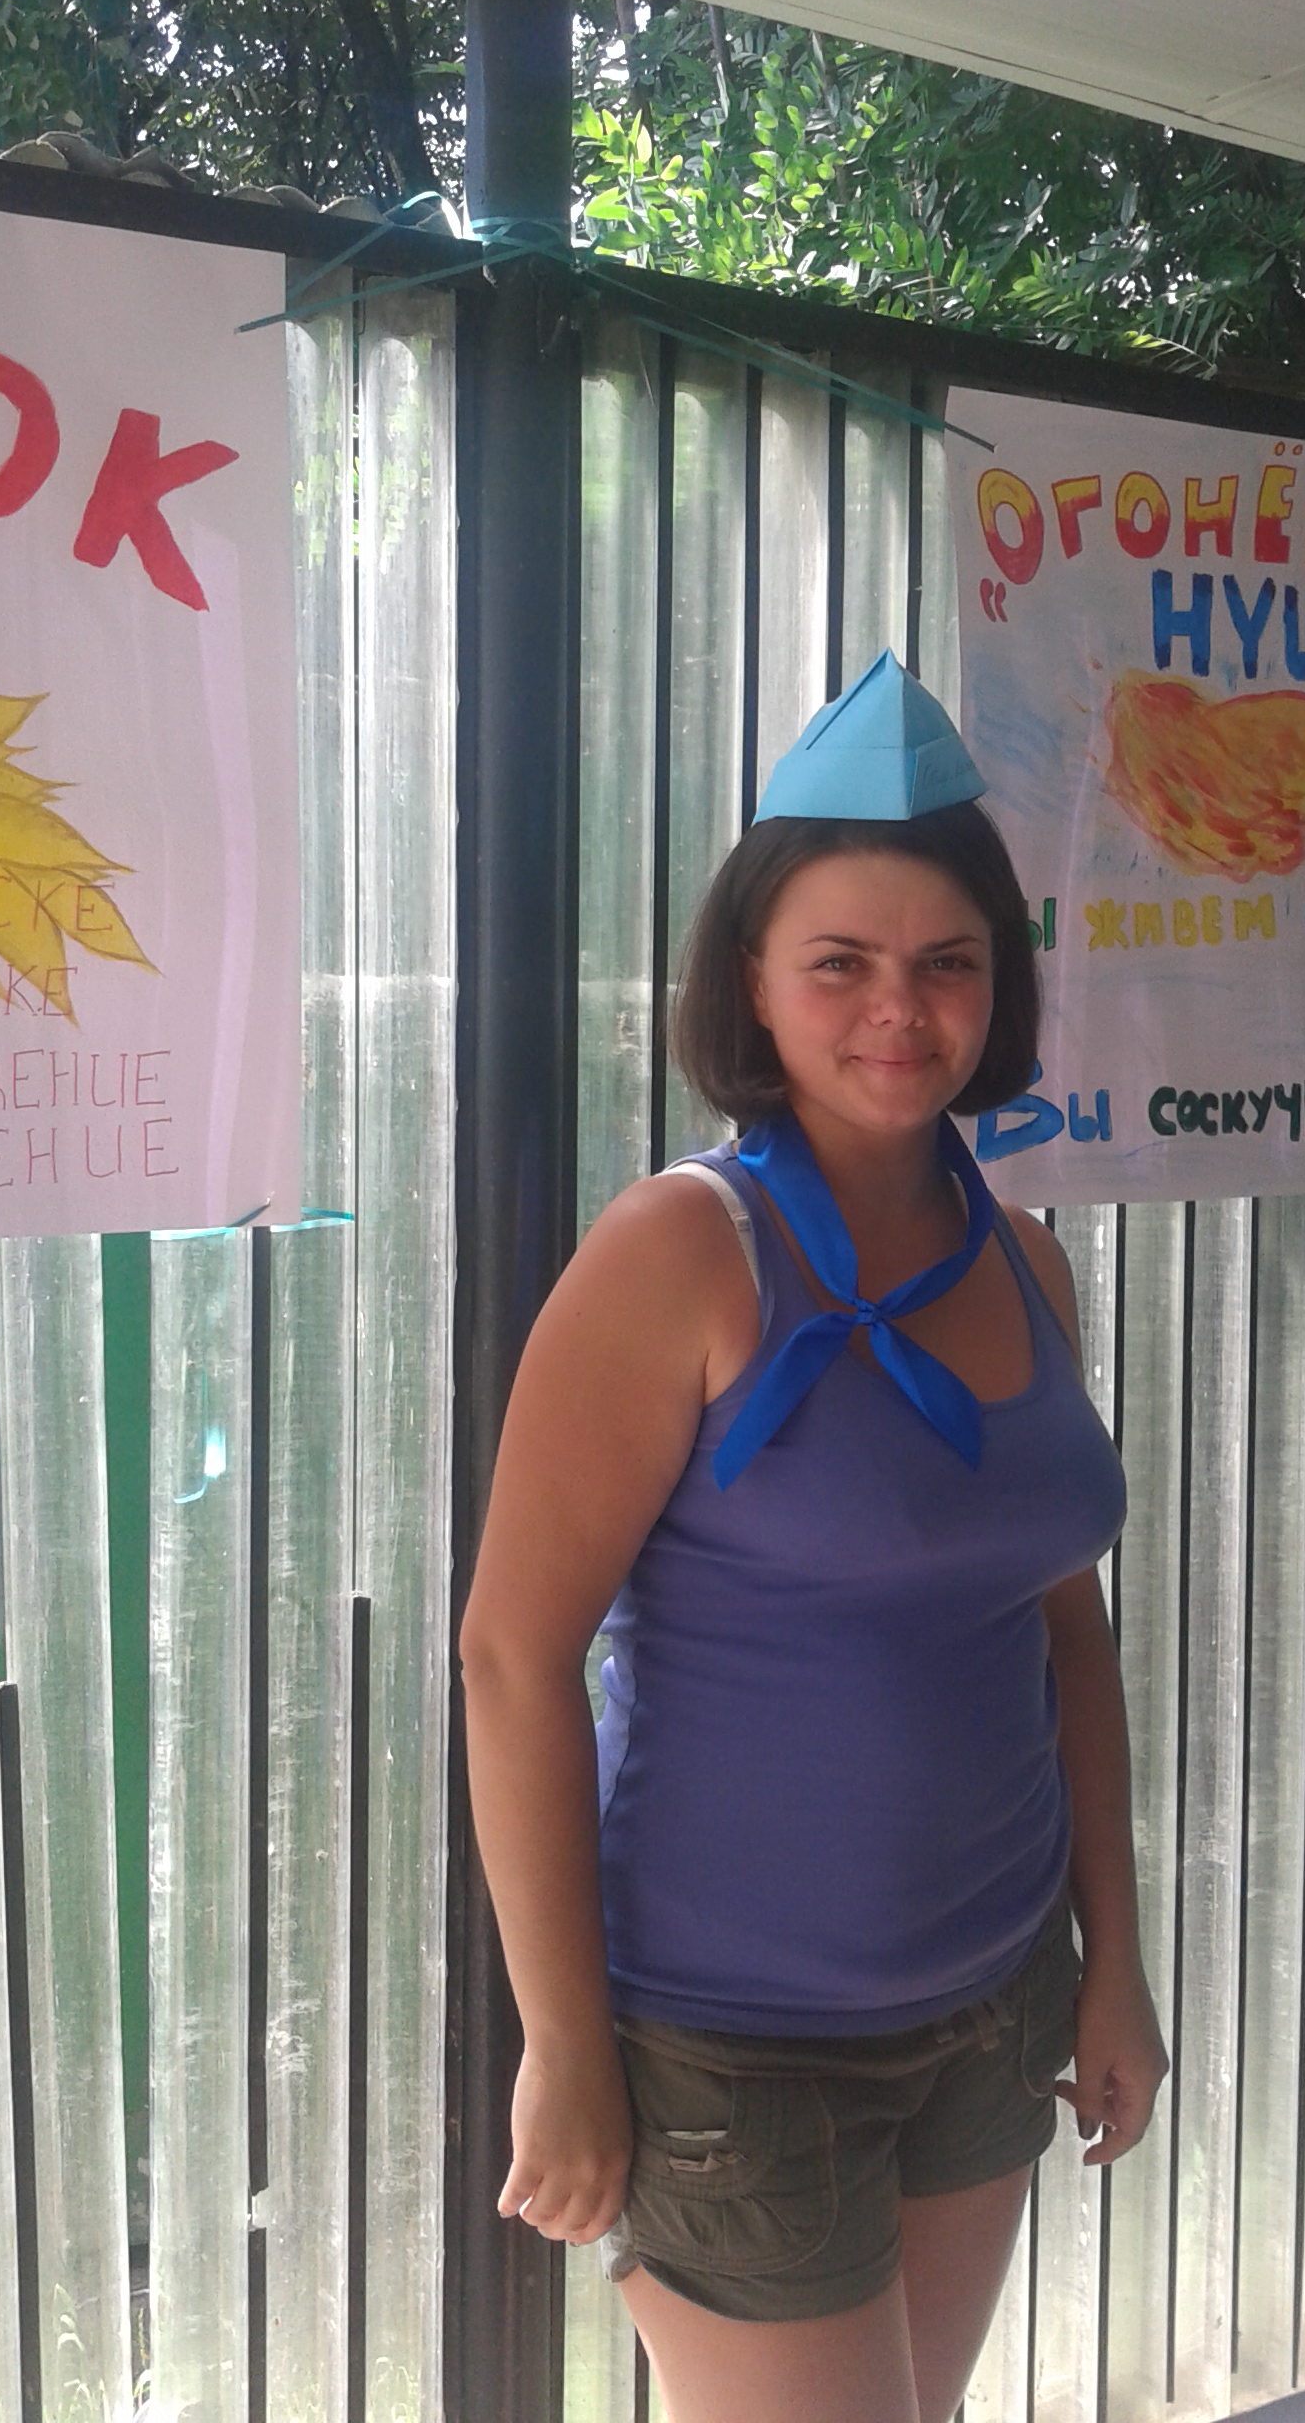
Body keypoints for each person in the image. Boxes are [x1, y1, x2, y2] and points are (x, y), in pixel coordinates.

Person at [460, 652, 1169, 2423]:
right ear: (752, 985)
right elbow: (513, 1658)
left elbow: (1066, 1634)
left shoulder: (1027, 1263)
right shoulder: (678, 1254)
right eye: (840, 962)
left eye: (949, 963)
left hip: (994, 2008)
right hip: (730, 2054)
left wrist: (1115, 1966)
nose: (898, 1010)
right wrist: (561, 2045)